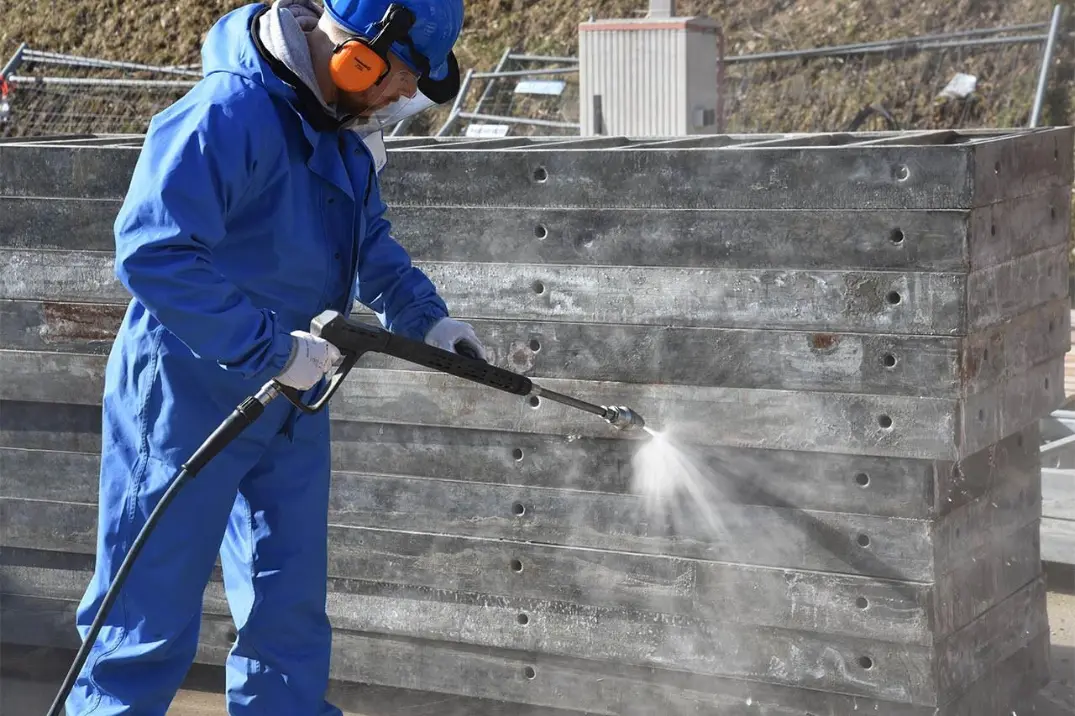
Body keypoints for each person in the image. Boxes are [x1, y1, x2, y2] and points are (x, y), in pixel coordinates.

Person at [67, 0, 483, 713]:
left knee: (286, 610)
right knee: (146, 615)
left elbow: (369, 242)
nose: (399, 96)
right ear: (360, 52)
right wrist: (264, 349)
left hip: (293, 392)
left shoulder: (344, 128)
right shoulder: (229, 113)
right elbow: (152, 251)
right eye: (400, 76)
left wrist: (429, 319)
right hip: (188, 391)